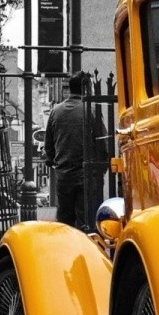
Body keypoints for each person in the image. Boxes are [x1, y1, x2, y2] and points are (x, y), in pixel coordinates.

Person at [43, 71, 107, 232]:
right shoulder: (91, 109)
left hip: (64, 174)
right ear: (87, 89)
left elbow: (48, 146)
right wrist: (103, 167)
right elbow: (102, 143)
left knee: (65, 220)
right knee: (87, 220)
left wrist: (54, 161)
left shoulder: (56, 111)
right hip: (87, 173)